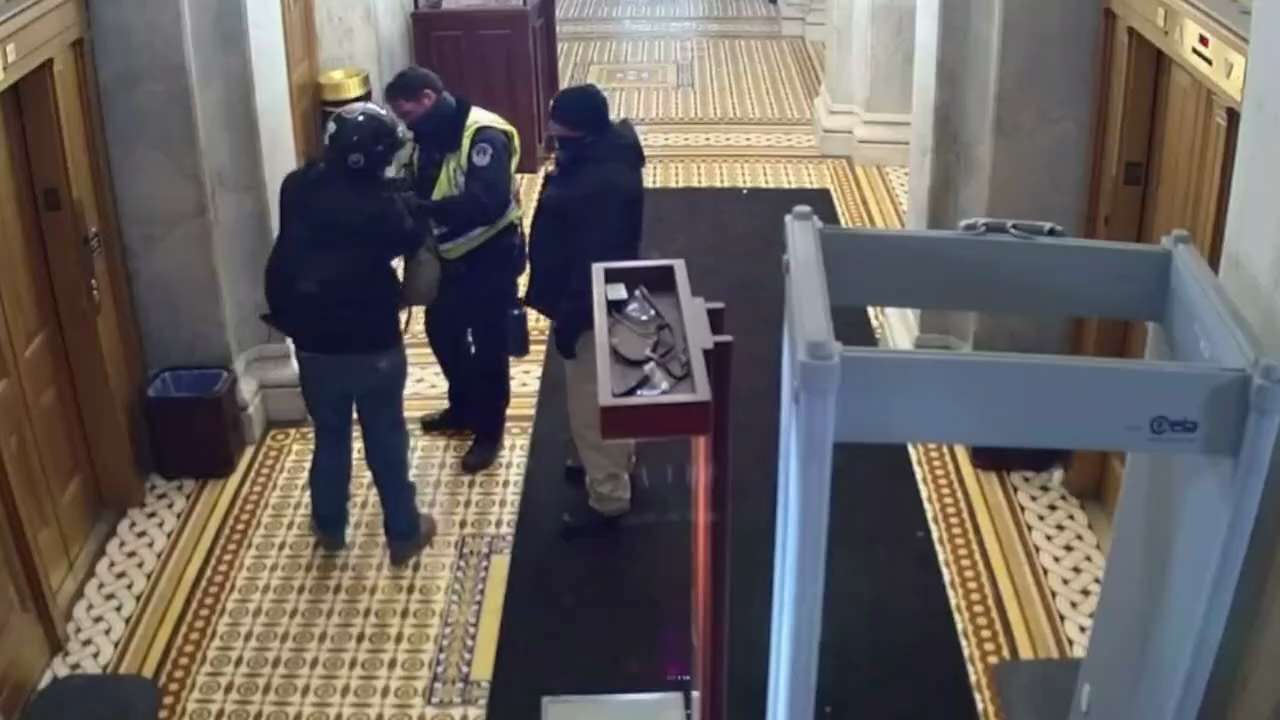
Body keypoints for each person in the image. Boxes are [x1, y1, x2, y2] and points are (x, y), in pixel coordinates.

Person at [263, 101, 436, 567]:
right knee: (385, 435)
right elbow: (409, 239)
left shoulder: (296, 187)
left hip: (313, 341)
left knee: (331, 435)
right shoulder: (384, 209)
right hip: (372, 339)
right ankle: (402, 532)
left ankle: (330, 526)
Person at [384, 66, 526, 474]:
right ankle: (463, 406)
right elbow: (419, 181)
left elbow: (489, 203)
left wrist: (427, 211)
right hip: (449, 258)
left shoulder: (483, 136)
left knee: (489, 346)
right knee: (442, 332)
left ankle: (489, 431)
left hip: (490, 257)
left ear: (428, 98)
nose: (405, 122)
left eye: (407, 112)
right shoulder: (425, 135)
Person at [525, 84, 646, 534]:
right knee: (605, 386)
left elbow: (595, 258)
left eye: (559, 126)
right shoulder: (605, 154)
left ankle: (608, 494)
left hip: (592, 302)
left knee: (592, 399)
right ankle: (614, 461)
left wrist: (572, 319)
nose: (552, 133)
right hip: (596, 295)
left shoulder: (604, 182)